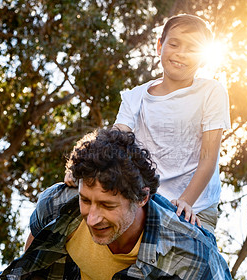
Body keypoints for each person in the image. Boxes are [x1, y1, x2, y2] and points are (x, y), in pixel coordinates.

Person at [66, 14, 231, 234]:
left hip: (196, 205)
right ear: (159, 46)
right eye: (174, 44)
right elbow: (113, 143)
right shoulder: (136, 96)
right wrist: (80, 169)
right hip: (146, 199)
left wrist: (185, 202)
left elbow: (208, 158)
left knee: (195, 260)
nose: (181, 53)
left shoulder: (211, 92)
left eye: (192, 48)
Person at [0, 128, 231, 280]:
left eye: (107, 206)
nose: (91, 219)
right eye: (85, 200)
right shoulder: (56, 204)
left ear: (141, 198)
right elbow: (30, 267)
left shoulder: (194, 253)